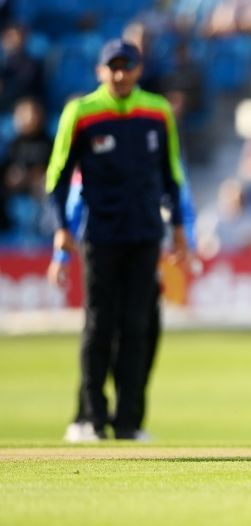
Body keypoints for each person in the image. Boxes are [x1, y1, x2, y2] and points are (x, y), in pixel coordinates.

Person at [46, 39, 188, 441]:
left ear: (139, 70)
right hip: (100, 235)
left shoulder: (157, 111)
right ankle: (90, 418)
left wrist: (177, 230)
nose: (121, 74)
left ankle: (129, 422)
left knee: (137, 326)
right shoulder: (82, 112)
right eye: (113, 67)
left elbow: (171, 176)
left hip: (145, 234)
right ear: (100, 71)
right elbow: (57, 176)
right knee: (99, 325)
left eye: (127, 67)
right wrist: (61, 227)